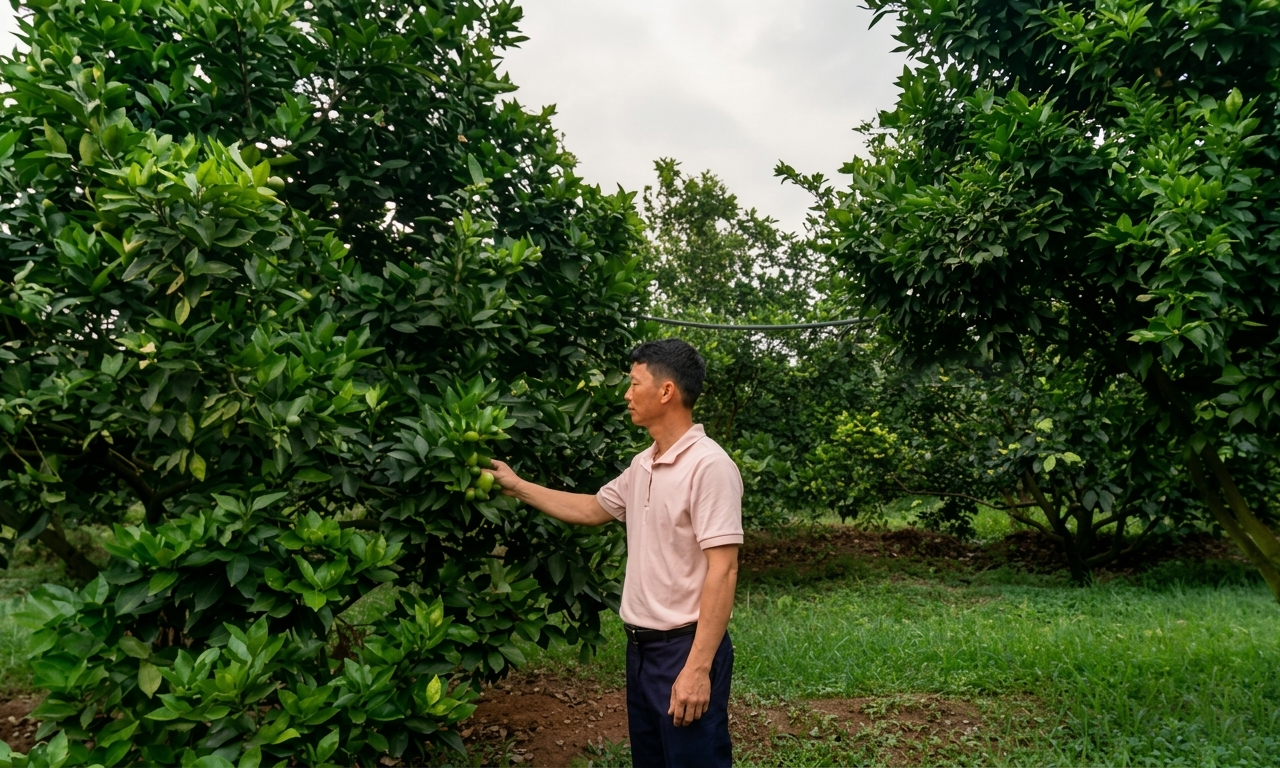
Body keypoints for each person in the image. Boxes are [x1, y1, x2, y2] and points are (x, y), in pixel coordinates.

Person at [489, 338, 742, 768]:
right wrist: (516, 485)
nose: (626, 394)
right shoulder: (642, 464)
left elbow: (724, 569)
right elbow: (591, 508)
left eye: (634, 383)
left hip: (684, 649)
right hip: (640, 650)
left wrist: (697, 669)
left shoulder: (709, 466)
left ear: (666, 392)